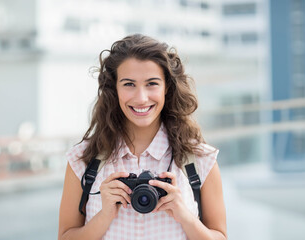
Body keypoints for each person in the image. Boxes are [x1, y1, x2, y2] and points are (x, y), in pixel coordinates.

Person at [58, 34, 227, 240]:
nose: (141, 98)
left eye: (152, 83)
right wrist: (104, 215)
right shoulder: (82, 159)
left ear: (167, 88)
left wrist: (184, 215)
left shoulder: (200, 159)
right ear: (114, 89)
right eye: (129, 84)